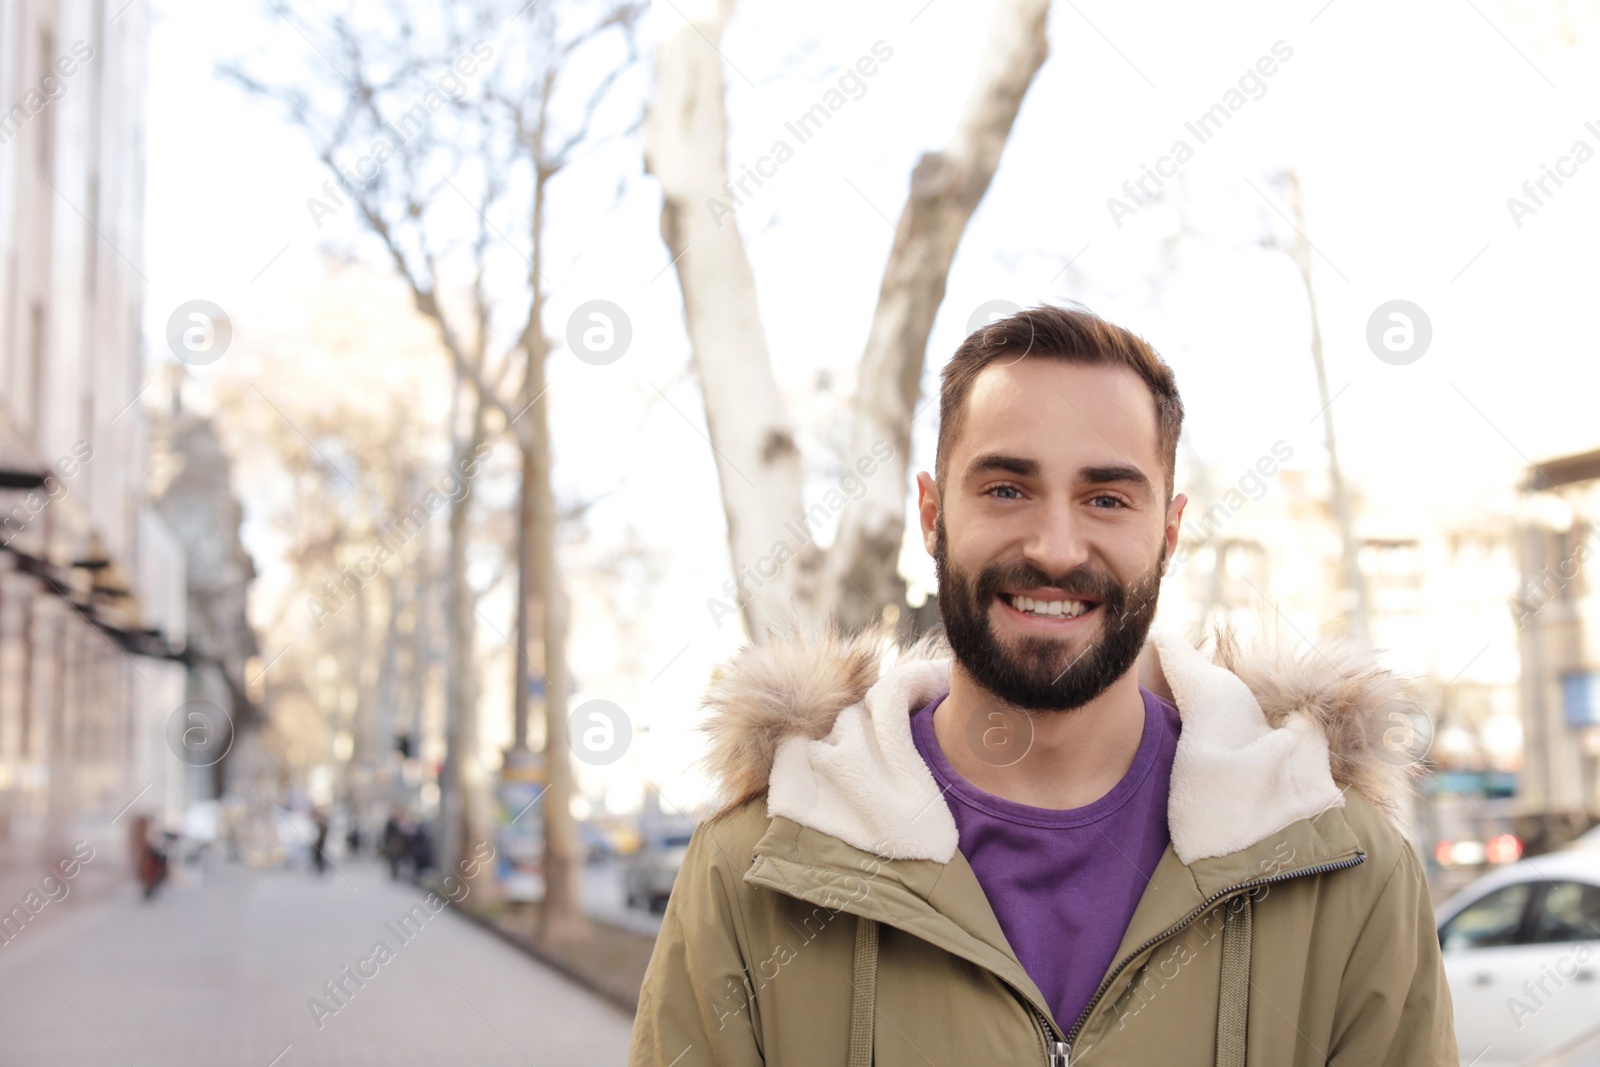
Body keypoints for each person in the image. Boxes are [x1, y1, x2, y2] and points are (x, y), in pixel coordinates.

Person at [630, 306, 1456, 1066]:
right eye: (1006, 488)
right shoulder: (755, 872)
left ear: (1168, 531)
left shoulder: (1346, 874)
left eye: (1105, 497)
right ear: (931, 513)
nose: (1058, 547)